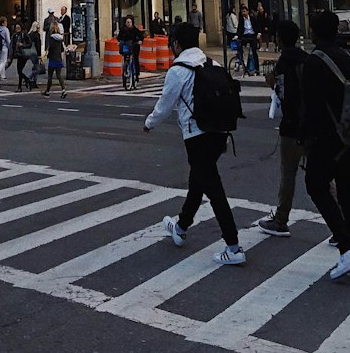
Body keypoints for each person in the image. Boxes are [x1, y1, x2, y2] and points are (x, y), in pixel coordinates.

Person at [145, 22, 246, 267]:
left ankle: (233, 245)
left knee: (213, 188)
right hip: (220, 131)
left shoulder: (178, 70)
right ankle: (180, 227)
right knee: (198, 181)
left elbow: (165, 104)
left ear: (177, 44)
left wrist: (149, 123)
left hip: (196, 134)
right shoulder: (213, 64)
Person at [300, 9, 350, 282]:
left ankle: (347, 245)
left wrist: (305, 137)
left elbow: (310, 105)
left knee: (316, 185)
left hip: (326, 137)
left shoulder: (314, 61)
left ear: (315, 32)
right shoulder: (347, 57)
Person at [255, 20, 308, 236]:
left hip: (291, 125)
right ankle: (340, 223)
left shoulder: (284, 62)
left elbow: (284, 95)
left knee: (288, 173)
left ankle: (281, 219)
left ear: (279, 39)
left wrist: (272, 83)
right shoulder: (307, 58)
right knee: (321, 176)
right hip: (311, 124)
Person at [44, 17, 69, 98]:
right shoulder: (61, 39)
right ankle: (63, 89)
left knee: (50, 76)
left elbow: (49, 48)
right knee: (59, 75)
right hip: (59, 58)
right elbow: (62, 48)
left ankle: (47, 91)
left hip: (52, 59)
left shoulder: (51, 38)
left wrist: (47, 54)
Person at [117, 16, 145, 88]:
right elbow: (119, 37)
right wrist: (119, 42)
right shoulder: (123, 30)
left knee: (135, 60)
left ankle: (136, 75)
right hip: (126, 46)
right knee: (125, 58)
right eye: (127, 22)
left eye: (130, 22)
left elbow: (141, 36)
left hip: (134, 46)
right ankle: (125, 71)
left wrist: (140, 41)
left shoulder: (135, 30)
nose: (129, 24)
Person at [237, 5, 259, 75]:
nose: (243, 13)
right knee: (239, 47)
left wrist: (258, 33)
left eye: (244, 11)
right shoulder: (241, 20)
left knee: (254, 51)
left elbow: (257, 26)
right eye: (242, 12)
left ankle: (256, 68)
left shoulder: (252, 19)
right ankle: (241, 62)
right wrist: (237, 35)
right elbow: (239, 29)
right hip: (245, 36)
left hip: (252, 35)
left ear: (247, 12)